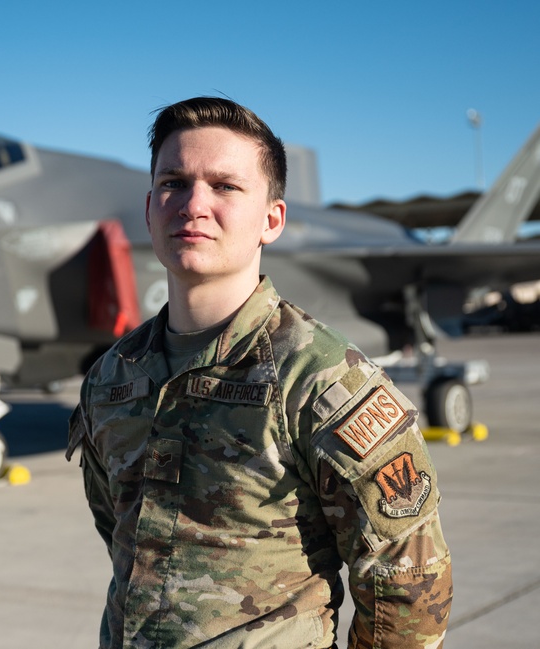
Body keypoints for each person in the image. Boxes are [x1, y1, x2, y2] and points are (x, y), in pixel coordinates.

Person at [66, 97, 451, 648]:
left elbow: (407, 581)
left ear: (271, 219)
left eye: (225, 186)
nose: (194, 204)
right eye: (174, 182)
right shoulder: (111, 378)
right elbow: (122, 534)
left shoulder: (321, 379)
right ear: (150, 208)